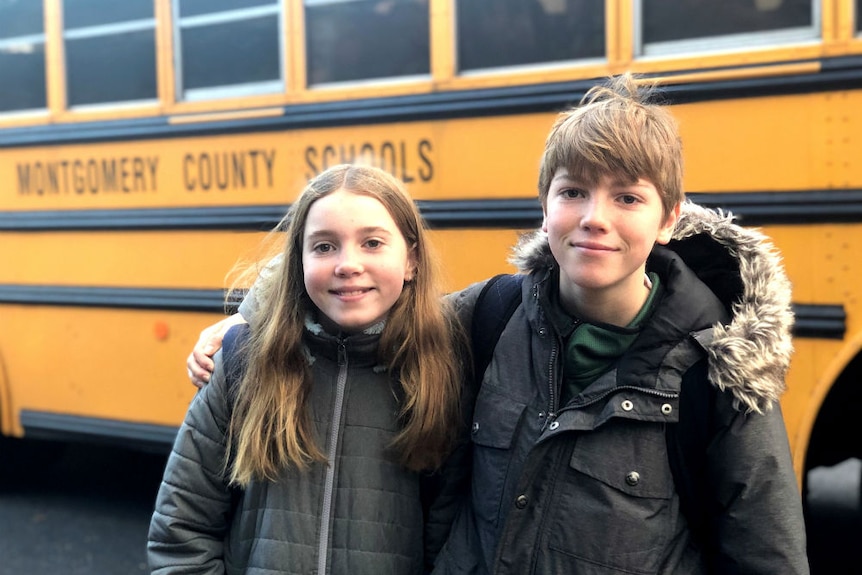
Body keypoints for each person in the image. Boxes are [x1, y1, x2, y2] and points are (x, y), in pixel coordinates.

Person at [186, 74, 810, 573]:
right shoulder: (493, 315)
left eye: (627, 197)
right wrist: (250, 319)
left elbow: (768, 552)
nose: (594, 217)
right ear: (544, 208)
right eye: (573, 193)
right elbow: (363, 291)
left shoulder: (718, 372)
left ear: (670, 217)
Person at [148, 164, 469, 575]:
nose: (347, 264)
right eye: (323, 247)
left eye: (372, 243)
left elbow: (449, 543)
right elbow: (181, 532)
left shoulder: (437, 375)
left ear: (412, 261)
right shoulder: (246, 364)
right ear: (295, 262)